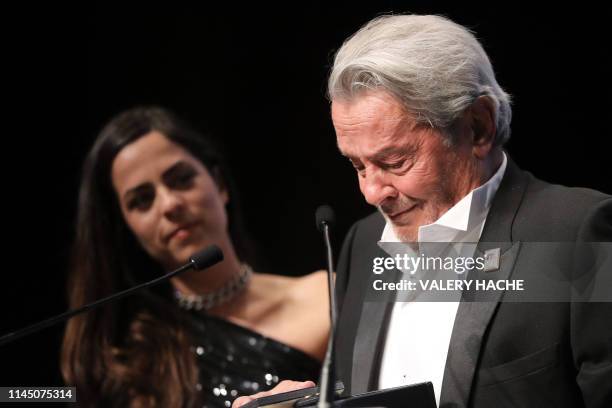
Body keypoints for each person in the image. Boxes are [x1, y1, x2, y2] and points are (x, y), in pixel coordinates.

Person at [234, 14, 612, 408]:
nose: (371, 192)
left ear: (477, 128)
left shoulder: (579, 233)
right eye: (357, 166)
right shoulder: (362, 244)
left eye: (395, 162)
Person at [61, 106, 328, 407]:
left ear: (220, 185)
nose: (169, 204)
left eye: (181, 179)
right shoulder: (130, 361)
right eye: (142, 200)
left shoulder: (326, 295)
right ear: (128, 229)